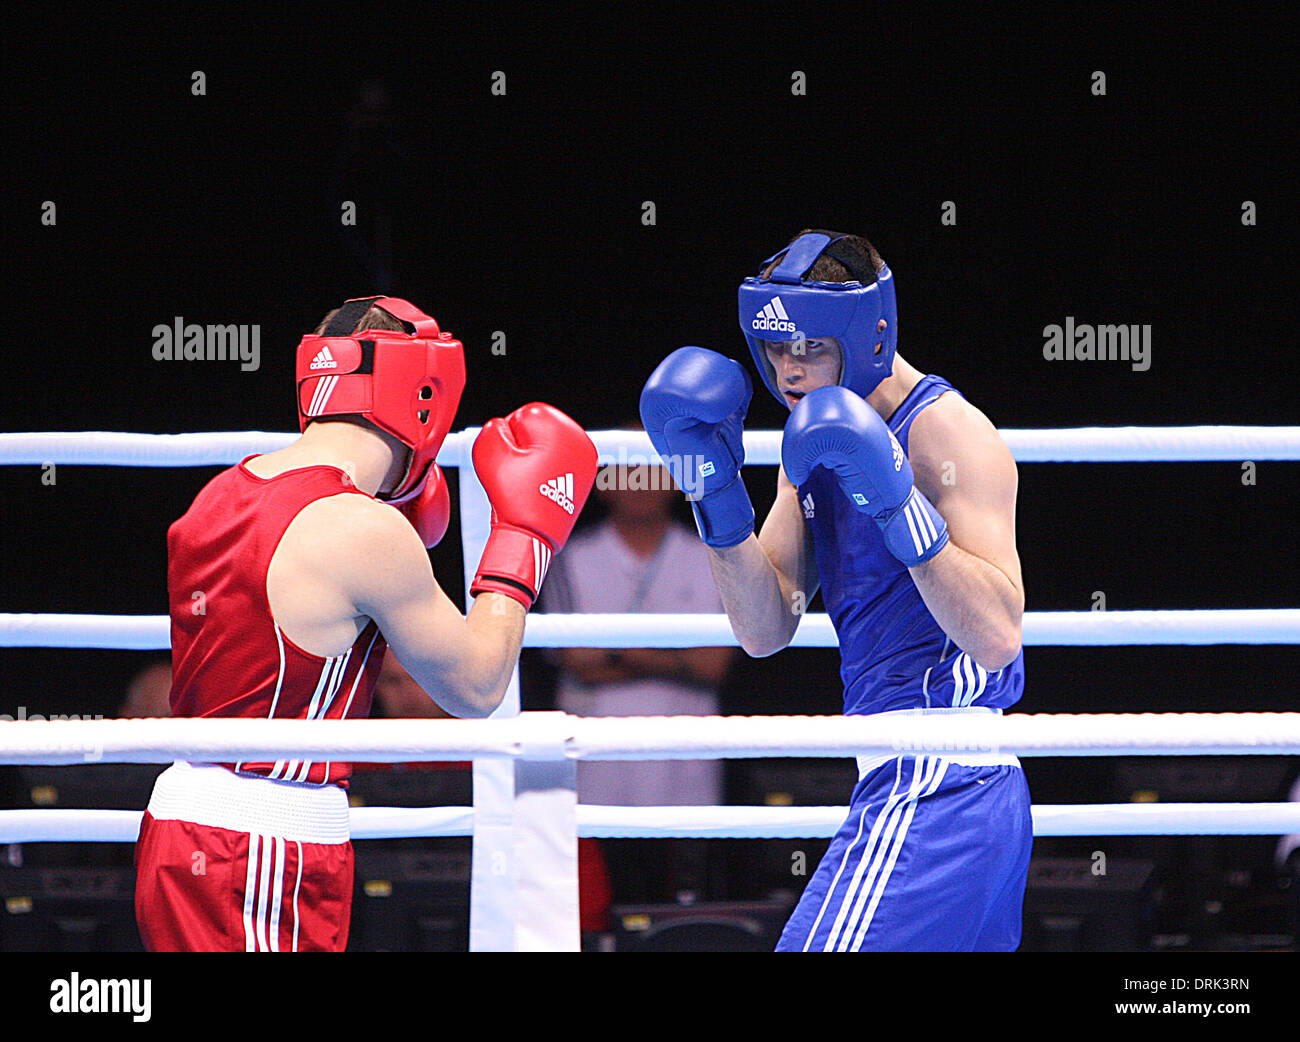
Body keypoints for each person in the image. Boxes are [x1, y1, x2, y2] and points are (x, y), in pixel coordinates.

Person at [134, 296, 597, 952]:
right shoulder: (359, 526)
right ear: (426, 392)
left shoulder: (221, 494)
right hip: (262, 846)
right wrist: (525, 537)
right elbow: (477, 685)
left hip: (190, 828)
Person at [640, 230, 1030, 951]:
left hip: (941, 774)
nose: (790, 371)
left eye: (812, 348)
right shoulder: (814, 435)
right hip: (911, 779)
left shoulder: (947, 434)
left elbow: (1000, 634)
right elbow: (764, 628)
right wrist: (714, 493)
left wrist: (898, 504)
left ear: (871, 334)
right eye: (777, 349)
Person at [542, 451, 733, 914]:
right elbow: (575, 659)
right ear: (602, 480)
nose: (640, 479)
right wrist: (671, 655)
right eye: (626, 466)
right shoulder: (569, 557)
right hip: (595, 759)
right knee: (599, 902)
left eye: (653, 466)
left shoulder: (710, 554)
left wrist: (614, 648)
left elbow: (713, 665)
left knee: (683, 902)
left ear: (678, 478)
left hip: (683, 757)